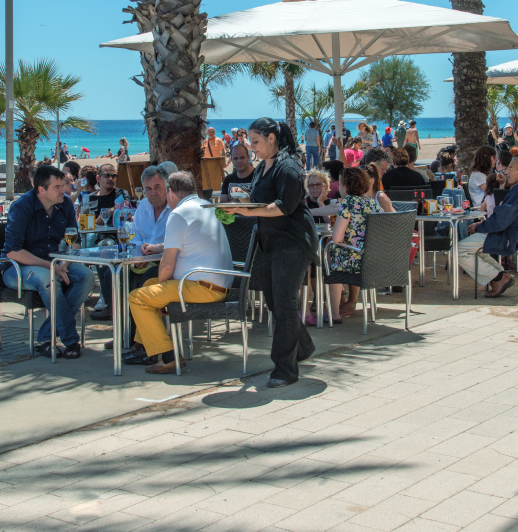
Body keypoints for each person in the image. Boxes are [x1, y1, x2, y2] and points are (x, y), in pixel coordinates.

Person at [220, 118, 316, 388]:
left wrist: (246, 210)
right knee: (275, 303)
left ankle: (284, 370)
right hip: (269, 242)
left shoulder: (288, 167)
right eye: (251, 142)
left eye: (256, 141)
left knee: (284, 304)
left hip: (293, 242)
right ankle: (304, 346)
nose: (253, 148)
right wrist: (236, 204)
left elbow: (283, 207)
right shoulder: (263, 167)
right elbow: (258, 200)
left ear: (271, 138)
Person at [125, 171, 233, 374]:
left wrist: (164, 296)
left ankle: (169, 356)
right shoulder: (205, 206)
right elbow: (189, 240)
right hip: (219, 285)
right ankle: (143, 347)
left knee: (138, 298)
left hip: (201, 288)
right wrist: (158, 247)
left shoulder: (179, 213)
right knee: (148, 286)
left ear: (171, 192)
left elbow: (166, 266)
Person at [2, 165, 92, 359]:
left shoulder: (65, 204)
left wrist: (64, 265)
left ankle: (45, 337)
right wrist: (53, 267)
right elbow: (13, 251)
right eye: (57, 187)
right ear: (41, 189)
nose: (63, 190)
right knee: (49, 279)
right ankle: (70, 340)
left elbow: (75, 241)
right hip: (17, 267)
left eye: (63, 185)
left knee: (86, 276)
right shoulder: (22, 207)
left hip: (56, 261)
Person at [91, 162, 174, 325]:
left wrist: (151, 255)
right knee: (112, 275)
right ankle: (124, 329)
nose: (153, 193)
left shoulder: (175, 208)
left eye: (157, 187)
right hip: (140, 260)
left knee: (146, 280)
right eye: (148, 189)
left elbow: (177, 242)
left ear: (167, 186)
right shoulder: (143, 206)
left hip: (165, 263)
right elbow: (135, 236)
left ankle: (143, 335)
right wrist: (140, 251)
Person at [457, 156, 518, 297]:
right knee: (479, 251)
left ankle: (498, 278)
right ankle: (501, 276)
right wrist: (483, 224)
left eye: (510, 168)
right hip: (517, 235)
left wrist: (479, 227)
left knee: (459, 250)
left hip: (507, 237)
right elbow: (504, 218)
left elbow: (501, 220)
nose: (506, 172)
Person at [326, 166, 381, 321]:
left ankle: (334, 312)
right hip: (372, 258)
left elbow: (337, 238)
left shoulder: (349, 202)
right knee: (336, 251)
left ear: (346, 186)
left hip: (355, 259)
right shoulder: (371, 202)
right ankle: (343, 301)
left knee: (331, 250)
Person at [468, 146, 499, 210]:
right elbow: (489, 191)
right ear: (487, 159)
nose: (496, 159)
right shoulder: (478, 175)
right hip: (481, 209)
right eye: (494, 157)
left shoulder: (480, 174)